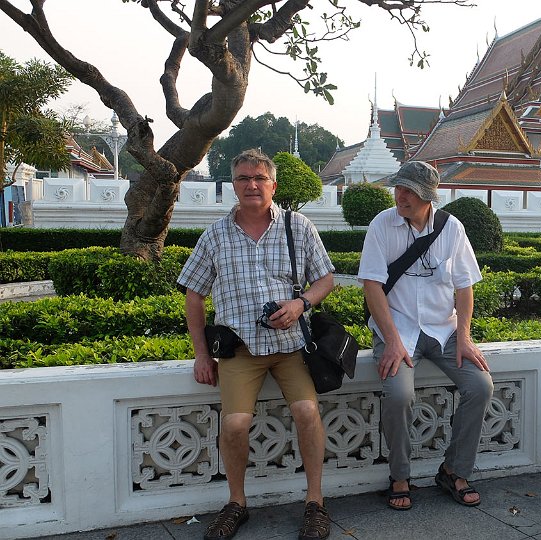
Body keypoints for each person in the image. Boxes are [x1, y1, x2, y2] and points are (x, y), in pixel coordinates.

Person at [178, 149, 335, 540]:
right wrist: (201, 355)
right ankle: (236, 503)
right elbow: (194, 296)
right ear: (233, 186)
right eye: (243, 178)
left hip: (291, 346)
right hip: (241, 350)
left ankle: (315, 502)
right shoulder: (216, 235)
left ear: (273, 185)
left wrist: (300, 304)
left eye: (260, 178)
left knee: (307, 412)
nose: (252, 185)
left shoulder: (298, 227)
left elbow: (325, 280)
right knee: (235, 424)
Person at [358, 160, 493, 511]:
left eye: (409, 191)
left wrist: (464, 337)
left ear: (428, 196)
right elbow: (372, 286)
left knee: (480, 386)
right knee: (399, 395)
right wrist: (391, 340)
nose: (400, 196)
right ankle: (400, 476)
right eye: (398, 188)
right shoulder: (382, 225)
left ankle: (454, 470)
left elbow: (464, 287)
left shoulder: (452, 228)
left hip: (443, 329)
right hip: (397, 329)